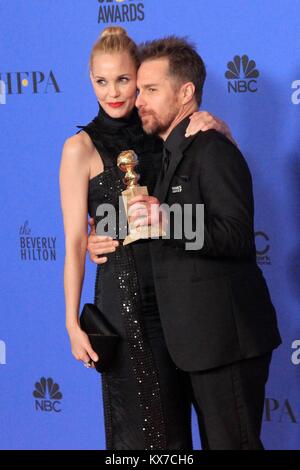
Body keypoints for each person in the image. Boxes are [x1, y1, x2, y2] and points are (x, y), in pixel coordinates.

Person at [88, 36, 282, 450]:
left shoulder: (212, 149)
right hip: (191, 346)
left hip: (226, 344)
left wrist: (169, 221)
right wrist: (99, 238)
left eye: (151, 90)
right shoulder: (166, 156)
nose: (139, 100)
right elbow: (148, 222)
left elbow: (236, 235)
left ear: (186, 92)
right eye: (138, 90)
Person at [59, 27, 234, 450]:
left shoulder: (161, 129)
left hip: (180, 298)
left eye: (123, 80)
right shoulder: (77, 148)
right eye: (101, 81)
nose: (113, 92)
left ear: (139, 79)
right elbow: (74, 243)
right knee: (145, 436)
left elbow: (210, 176)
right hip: (124, 304)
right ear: (89, 81)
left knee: (184, 428)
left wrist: (219, 125)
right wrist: (70, 324)